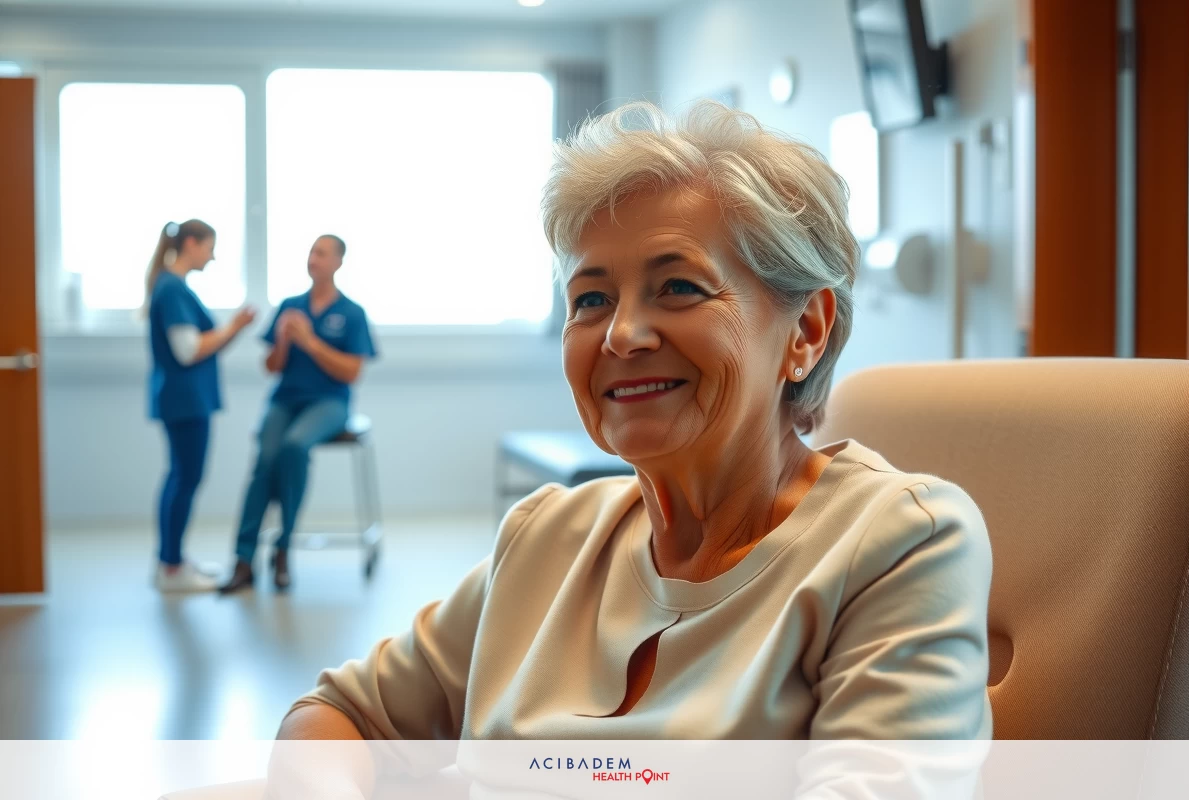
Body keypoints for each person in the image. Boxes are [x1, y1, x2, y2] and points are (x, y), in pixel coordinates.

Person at [274, 102, 991, 766]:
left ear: (804, 332)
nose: (621, 335)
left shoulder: (899, 545)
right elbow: (336, 714)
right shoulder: (547, 535)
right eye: (591, 299)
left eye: (677, 287)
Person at [219, 235, 377, 594]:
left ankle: (282, 548)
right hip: (285, 400)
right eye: (311, 252)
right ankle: (244, 560)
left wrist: (311, 342)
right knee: (265, 459)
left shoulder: (351, 313)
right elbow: (271, 367)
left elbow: (352, 372)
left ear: (338, 262)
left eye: (321, 253)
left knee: (294, 447)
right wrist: (285, 341)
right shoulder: (291, 307)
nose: (313, 259)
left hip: (329, 403)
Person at [146, 219, 256, 592]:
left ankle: (172, 561)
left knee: (179, 478)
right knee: (184, 479)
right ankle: (171, 568)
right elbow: (189, 350)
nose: (213, 256)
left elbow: (201, 343)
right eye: (210, 247)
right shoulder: (172, 289)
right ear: (191, 243)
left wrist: (233, 330)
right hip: (185, 401)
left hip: (187, 399)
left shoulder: (172, 286)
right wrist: (233, 326)